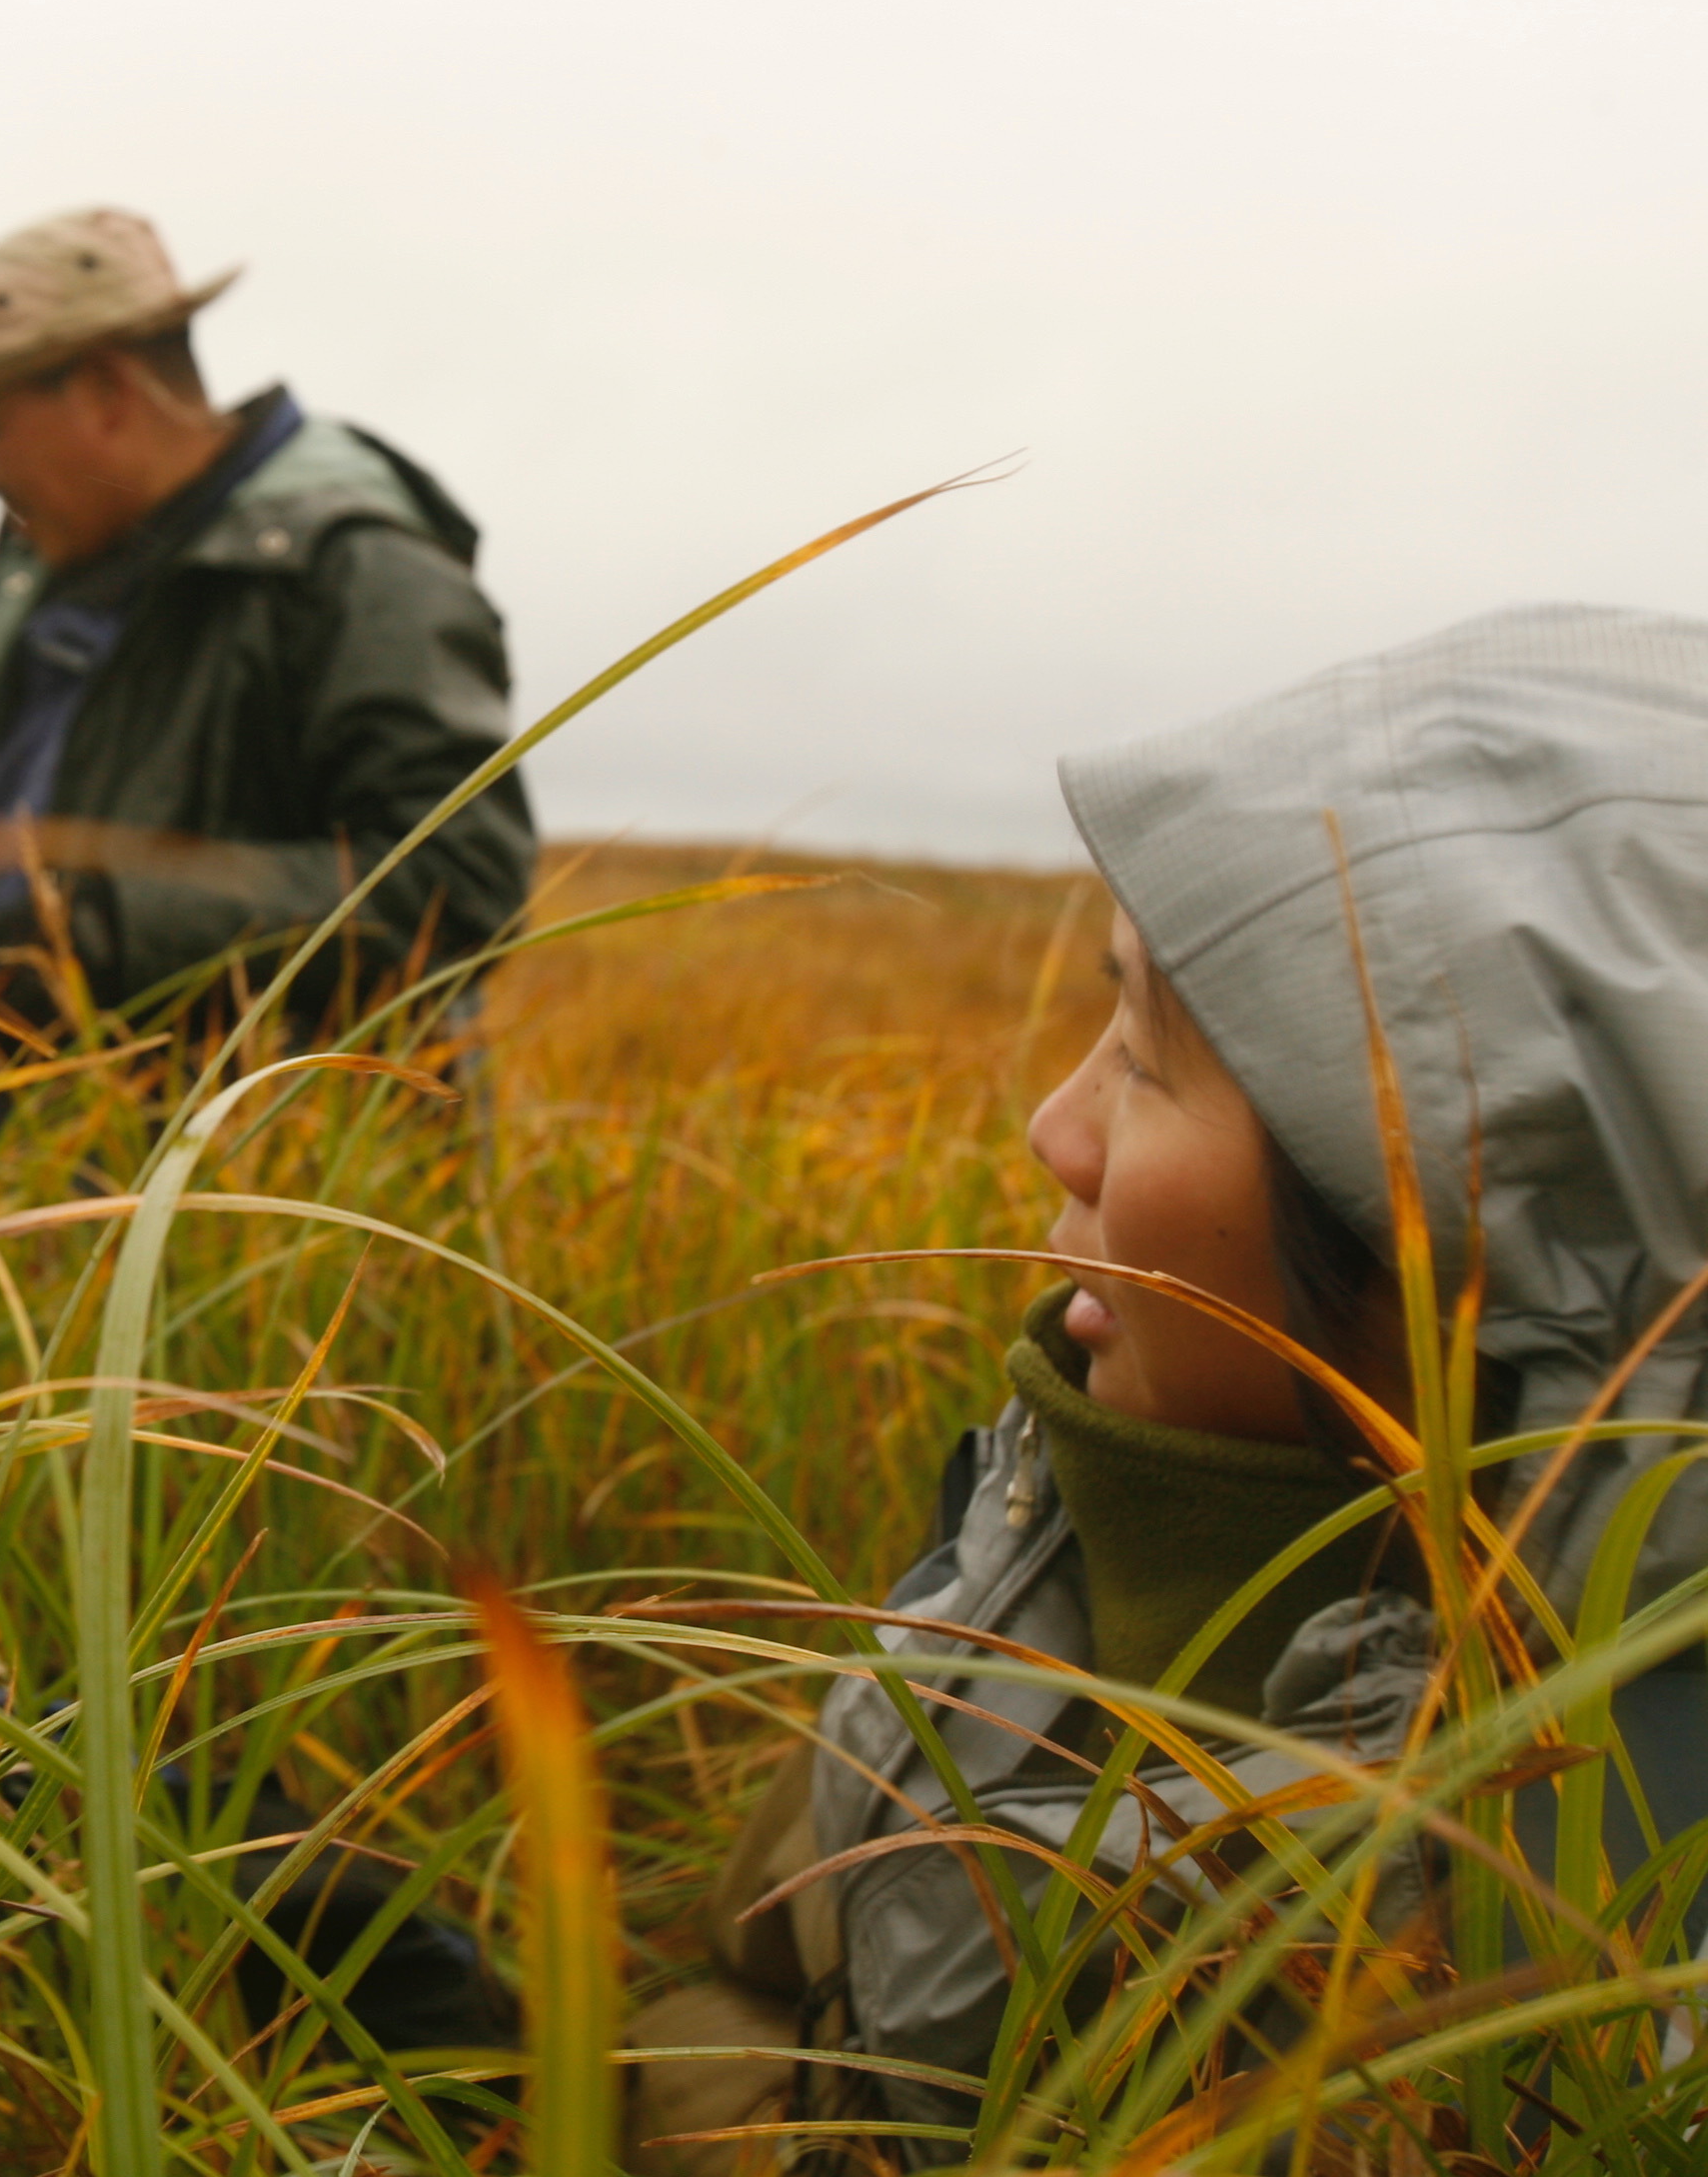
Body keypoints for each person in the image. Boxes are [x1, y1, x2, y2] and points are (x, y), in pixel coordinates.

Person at [630, 606, 1708, 2170]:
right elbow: (769, 2000)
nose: (1053, 1131)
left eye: (1147, 1060)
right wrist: (499, 2056)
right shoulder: (1067, 1512)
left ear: (1470, 1248)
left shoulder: (1567, 2012)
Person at [0, 207, 537, 1035]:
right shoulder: (51, 565)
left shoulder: (356, 567)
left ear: (107, 392)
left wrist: (102, 932)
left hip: (253, 1155)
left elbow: (458, 883)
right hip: (38, 1151)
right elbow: (65, 817)